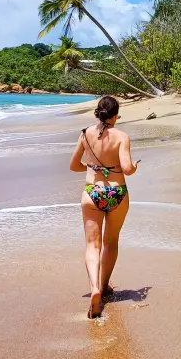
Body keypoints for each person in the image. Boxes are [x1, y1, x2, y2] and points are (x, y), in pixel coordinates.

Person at [69, 95, 140, 318]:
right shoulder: (121, 137)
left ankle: (95, 289)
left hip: (92, 192)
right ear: (116, 115)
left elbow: (74, 166)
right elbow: (127, 169)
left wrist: (92, 168)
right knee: (111, 242)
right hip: (117, 193)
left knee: (92, 245)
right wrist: (134, 167)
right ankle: (105, 284)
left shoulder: (85, 134)